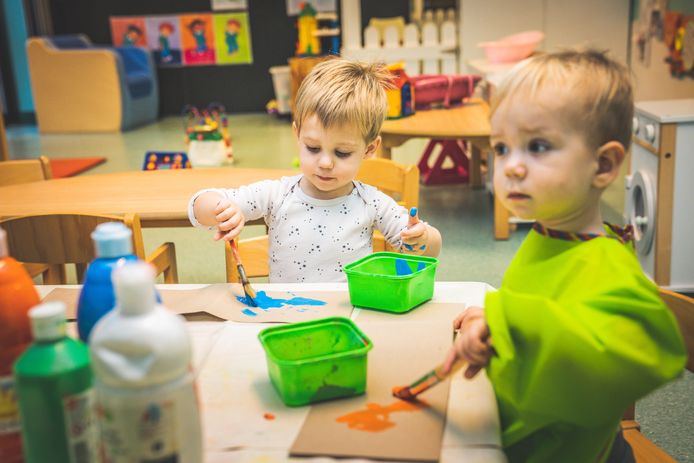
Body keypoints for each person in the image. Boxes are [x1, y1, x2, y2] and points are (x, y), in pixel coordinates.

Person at [441, 49, 686, 463]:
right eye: (501, 148)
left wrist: (507, 319)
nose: (512, 167)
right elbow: (544, 311)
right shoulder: (549, 234)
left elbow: (651, 351)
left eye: (537, 146)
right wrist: (493, 322)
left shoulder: (607, 265)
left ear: (603, 165)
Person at [188, 58, 442, 282]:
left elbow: (428, 250)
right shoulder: (277, 194)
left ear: (369, 148)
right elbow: (198, 206)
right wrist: (220, 210)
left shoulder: (371, 202)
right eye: (312, 148)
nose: (325, 163)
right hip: (288, 318)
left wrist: (422, 239)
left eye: (342, 153)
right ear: (298, 134)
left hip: (348, 319)